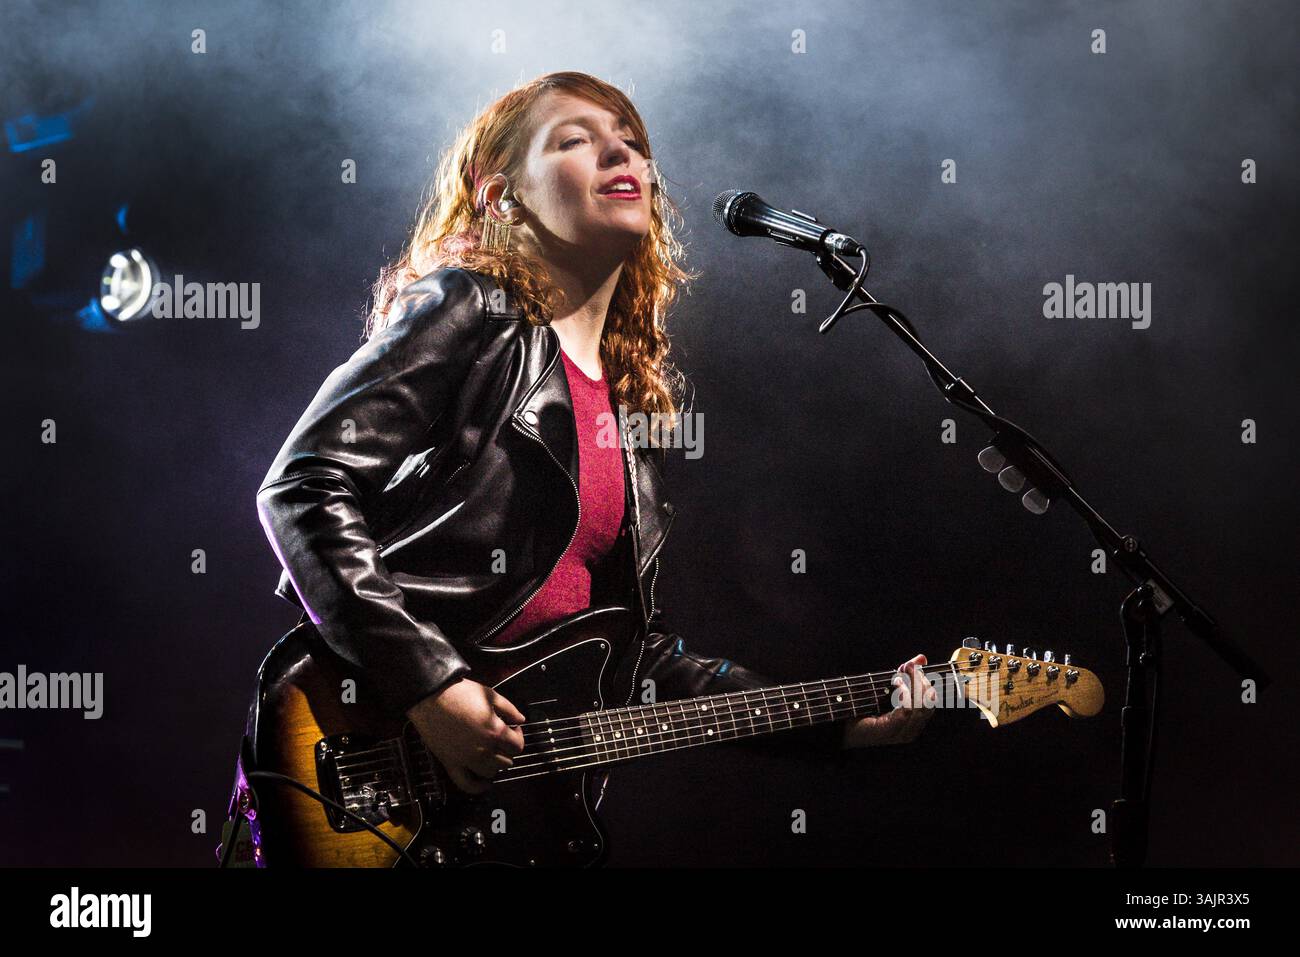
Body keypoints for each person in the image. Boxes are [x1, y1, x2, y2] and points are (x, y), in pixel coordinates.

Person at [256, 71, 936, 807]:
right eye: (576, 140)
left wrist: (838, 726)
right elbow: (301, 487)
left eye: (632, 143)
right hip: (368, 751)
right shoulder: (471, 308)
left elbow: (636, 663)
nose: (620, 152)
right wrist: (430, 686)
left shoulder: (625, 404)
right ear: (500, 197)